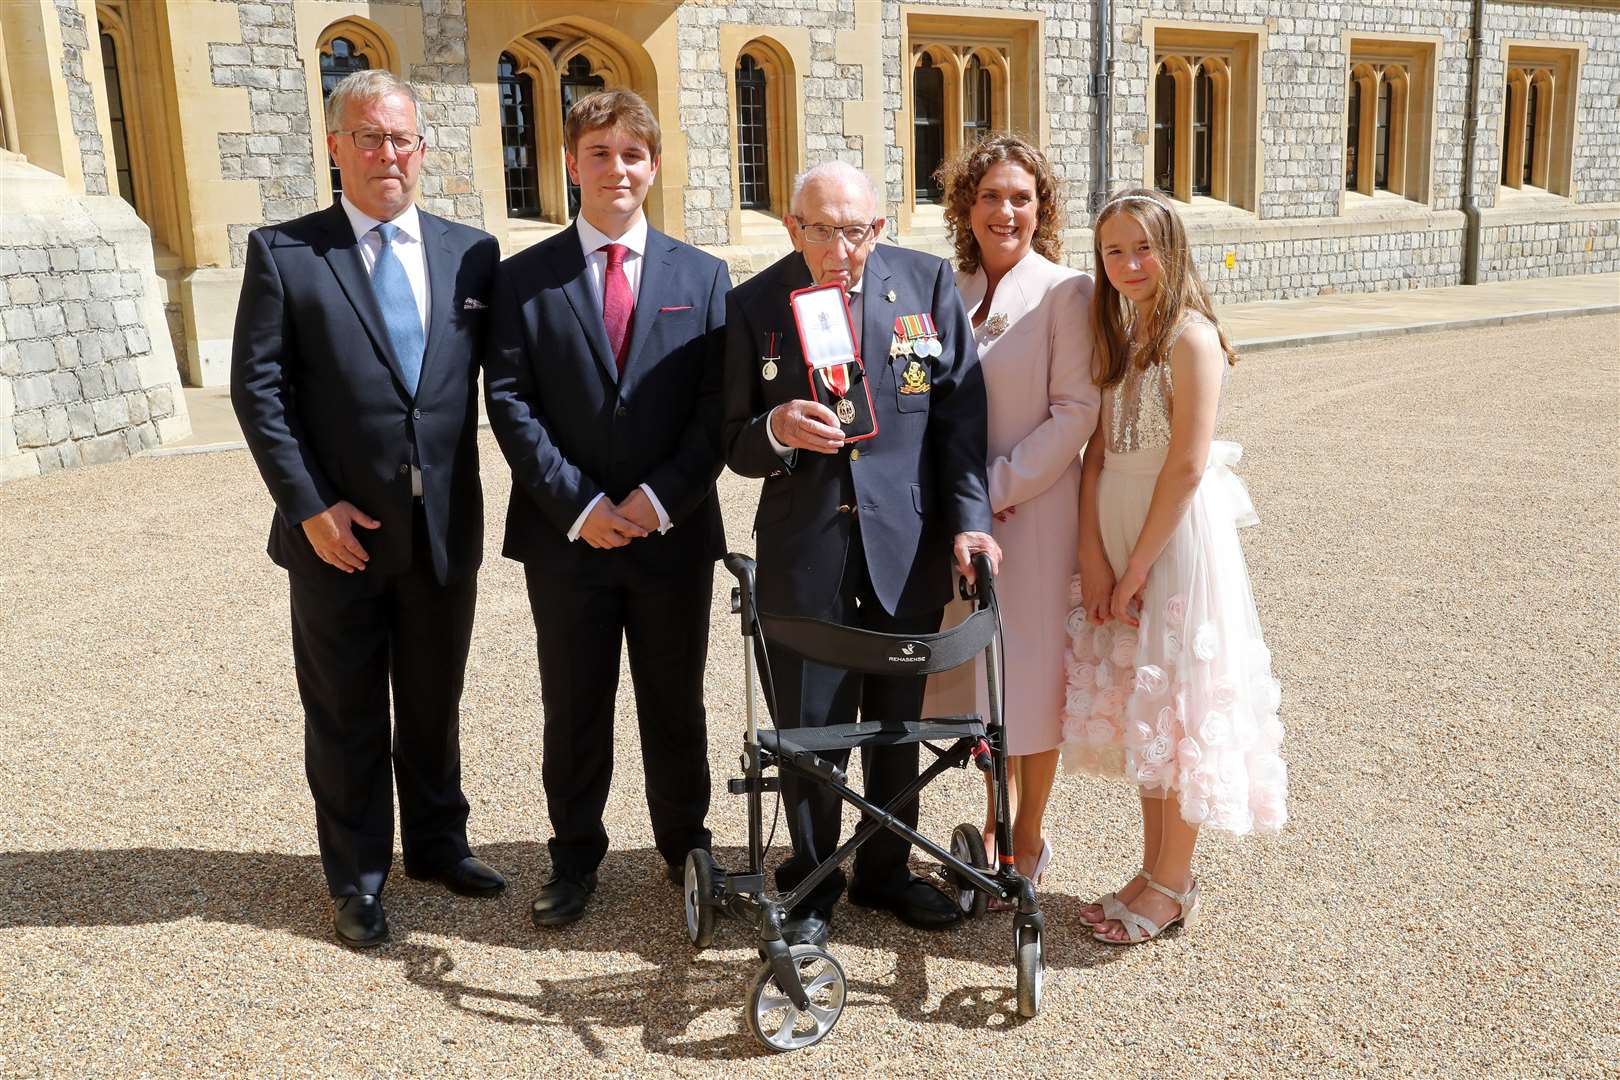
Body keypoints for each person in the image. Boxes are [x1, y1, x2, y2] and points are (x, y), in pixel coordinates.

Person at [231, 70, 505, 948]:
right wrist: (311, 509)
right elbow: (258, 391)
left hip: (440, 529)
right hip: (334, 536)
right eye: (370, 137)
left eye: (403, 139)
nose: (388, 154)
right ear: (336, 147)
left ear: (423, 150)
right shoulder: (286, 251)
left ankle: (436, 844)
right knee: (347, 711)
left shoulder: (473, 254)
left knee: (433, 701)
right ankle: (355, 877)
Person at [721, 160, 1001, 948]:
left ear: (879, 227)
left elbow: (958, 419)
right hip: (805, 552)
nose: (839, 245)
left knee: (894, 722)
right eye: (819, 228)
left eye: (855, 229)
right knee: (812, 726)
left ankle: (886, 869)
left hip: (903, 545)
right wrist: (775, 431)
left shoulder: (926, 283)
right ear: (791, 228)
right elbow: (730, 441)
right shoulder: (753, 304)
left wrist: (968, 520)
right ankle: (813, 877)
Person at [484, 89, 730, 930]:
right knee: (575, 702)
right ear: (571, 164)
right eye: (599, 153)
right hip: (570, 542)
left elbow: (715, 407)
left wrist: (660, 498)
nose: (616, 169)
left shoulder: (703, 277)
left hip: (672, 535)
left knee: (676, 701)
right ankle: (574, 856)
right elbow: (510, 401)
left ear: (653, 166)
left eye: (632, 154)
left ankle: (683, 847)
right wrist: (580, 504)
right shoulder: (523, 279)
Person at [1062, 188, 1287, 945]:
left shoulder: (1191, 339)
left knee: (1182, 705)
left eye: (1142, 248)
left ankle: (1174, 882)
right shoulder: (1122, 331)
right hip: (1118, 530)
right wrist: (1095, 557)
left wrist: (1136, 570)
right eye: (1113, 250)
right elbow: (1097, 452)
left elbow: (1186, 466)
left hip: (1174, 539)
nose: (1128, 264)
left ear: (1173, 249)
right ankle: (1155, 866)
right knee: (1146, 707)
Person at [920, 135, 1099, 902]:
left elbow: (1075, 413)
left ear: (1041, 208)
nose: (1006, 210)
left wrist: (988, 491)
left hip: (1029, 514)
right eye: (990, 195)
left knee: (1029, 680)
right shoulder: (939, 290)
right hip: (957, 519)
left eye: (1021, 197)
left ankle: (1026, 839)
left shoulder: (1067, 292)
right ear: (967, 205)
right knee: (977, 679)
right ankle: (991, 822)